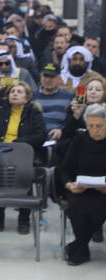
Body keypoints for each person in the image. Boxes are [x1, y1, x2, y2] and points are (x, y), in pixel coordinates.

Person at [0, 79, 47, 233]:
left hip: (22, 156)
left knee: (25, 174)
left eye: (19, 92)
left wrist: (18, 144)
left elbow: (41, 136)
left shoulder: (34, 112)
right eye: (12, 91)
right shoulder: (1, 107)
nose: (15, 94)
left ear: (27, 97)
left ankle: (24, 219)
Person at [59, 103, 106, 265]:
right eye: (91, 126)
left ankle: (78, 247)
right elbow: (64, 169)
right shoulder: (79, 140)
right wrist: (69, 185)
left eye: (99, 126)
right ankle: (81, 247)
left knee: (99, 208)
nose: (95, 130)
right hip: (79, 189)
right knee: (76, 206)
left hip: (104, 191)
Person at [32, 64, 74, 145]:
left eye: (52, 76)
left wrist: (62, 130)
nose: (48, 80)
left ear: (59, 78)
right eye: (45, 76)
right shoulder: (31, 96)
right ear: (40, 76)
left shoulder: (69, 96)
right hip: (35, 140)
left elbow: (73, 119)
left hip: (60, 141)